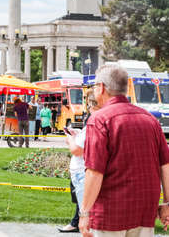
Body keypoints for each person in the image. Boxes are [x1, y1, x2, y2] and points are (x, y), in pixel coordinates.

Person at [79, 65, 169, 237]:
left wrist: (84, 212)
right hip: (144, 211)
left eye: (95, 86)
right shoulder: (150, 120)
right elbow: (165, 165)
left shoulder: (99, 120)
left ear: (102, 88)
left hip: (110, 212)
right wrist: (167, 203)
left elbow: (95, 172)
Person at [59, 89, 98, 233]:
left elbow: (78, 149)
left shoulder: (95, 118)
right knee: (83, 204)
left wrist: (71, 139)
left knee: (86, 210)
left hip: (84, 168)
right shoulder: (92, 117)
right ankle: (78, 222)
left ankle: (79, 223)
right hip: (82, 169)